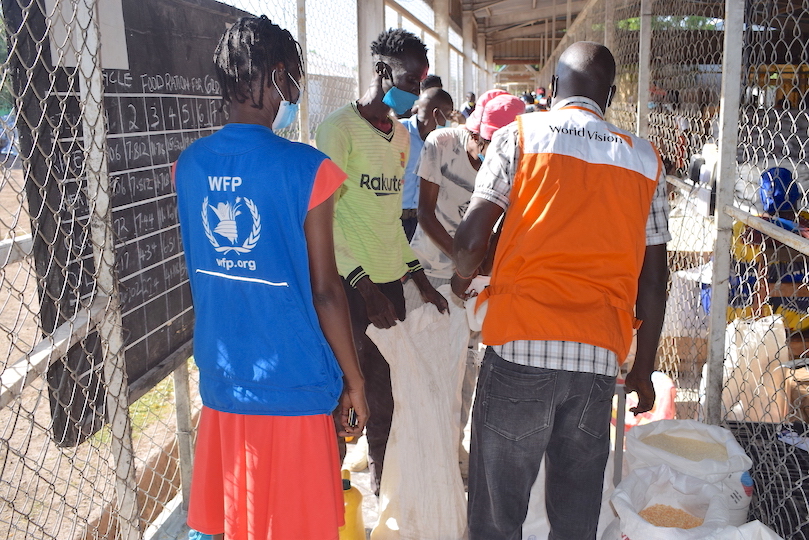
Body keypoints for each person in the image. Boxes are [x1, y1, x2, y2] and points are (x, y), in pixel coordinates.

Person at [451, 41, 670, 540]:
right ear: (610, 96)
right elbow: (654, 279)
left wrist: (462, 281)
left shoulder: (520, 136)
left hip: (519, 348)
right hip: (596, 359)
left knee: (495, 515)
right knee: (575, 517)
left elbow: (467, 246)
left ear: (549, 91)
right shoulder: (642, 159)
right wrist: (643, 371)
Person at [174, 16, 368, 540]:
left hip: (224, 383)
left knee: (242, 525)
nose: (294, 93)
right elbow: (327, 291)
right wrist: (355, 380)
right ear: (277, 76)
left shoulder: (188, 166)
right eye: (294, 80)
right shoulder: (309, 168)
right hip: (296, 384)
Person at [315, 28, 448, 496]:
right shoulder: (337, 130)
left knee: (382, 395)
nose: (413, 92)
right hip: (349, 291)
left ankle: (382, 492)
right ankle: (326, 494)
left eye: (420, 83)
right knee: (340, 396)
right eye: (409, 80)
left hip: (387, 288)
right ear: (381, 71)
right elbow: (324, 225)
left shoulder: (401, 139)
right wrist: (366, 289)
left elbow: (392, 221)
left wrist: (420, 280)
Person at [400, 87, 454, 241]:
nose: (449, 120)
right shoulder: (398, 131)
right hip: (395, 218)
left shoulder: (444, 141)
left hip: (423, 220)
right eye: (448, 114)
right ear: (436, 114)